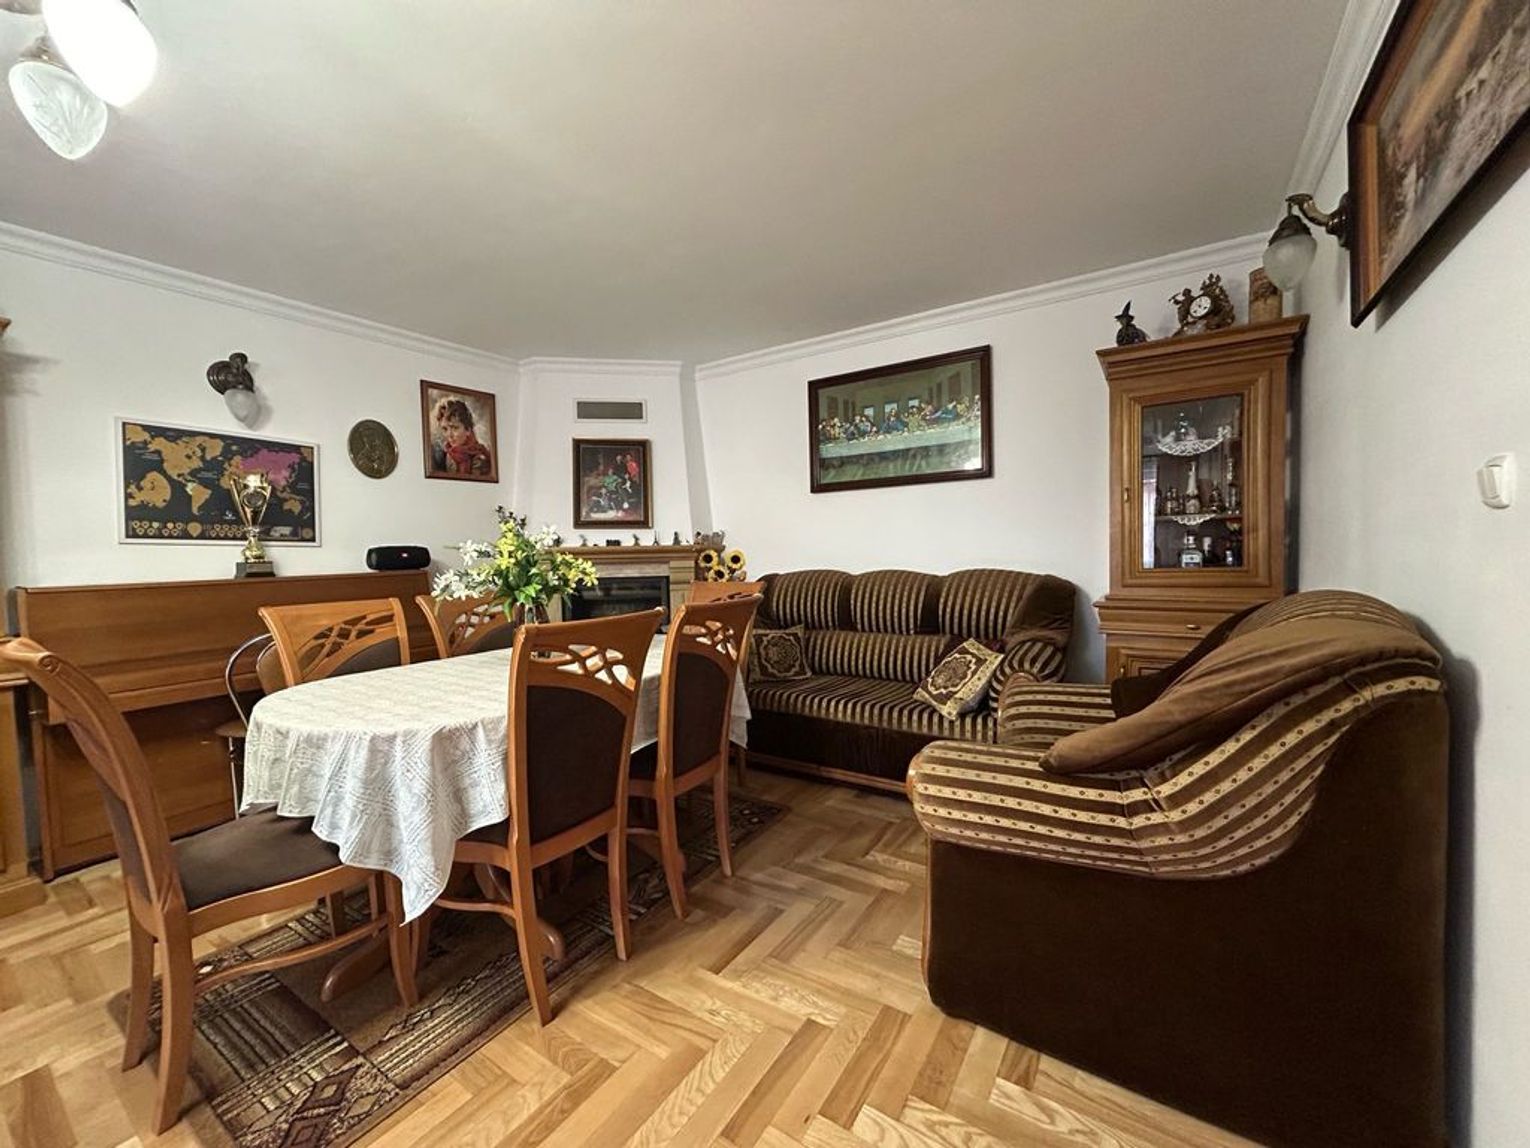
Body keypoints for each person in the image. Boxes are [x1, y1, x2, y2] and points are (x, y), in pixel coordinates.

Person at [433, 398, 493, 476]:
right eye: (445, 429)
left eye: (455, 428)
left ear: (468, 430)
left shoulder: (480, 459)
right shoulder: (446, 455)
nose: (449, 435)